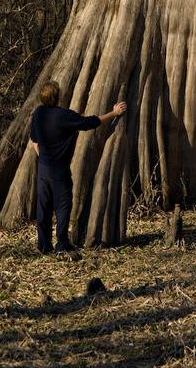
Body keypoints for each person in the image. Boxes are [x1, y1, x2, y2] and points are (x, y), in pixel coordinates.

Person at [30, 80, 127, 256]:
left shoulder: (38, 113)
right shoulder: (64, 115)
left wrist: (45, 157)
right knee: (63, 206)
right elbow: (91, 122)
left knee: (43, 207)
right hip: (59, 170)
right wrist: (114, 113)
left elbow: (35, 140)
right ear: (58, 95)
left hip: (44, 167)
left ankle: (43, 246)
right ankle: (61, 244)